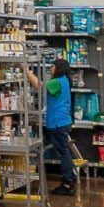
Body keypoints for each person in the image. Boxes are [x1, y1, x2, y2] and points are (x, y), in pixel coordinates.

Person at [32, 58, 77, 196]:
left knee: (63, 153)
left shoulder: (57, 82)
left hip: (58, 122)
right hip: (64, 120)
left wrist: (28, 73)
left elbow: (39, 86)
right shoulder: (65, 80)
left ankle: (68, 183)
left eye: (52, 66)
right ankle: (71, 178)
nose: (51, 69)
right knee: (65, 152)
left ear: (58, 68)